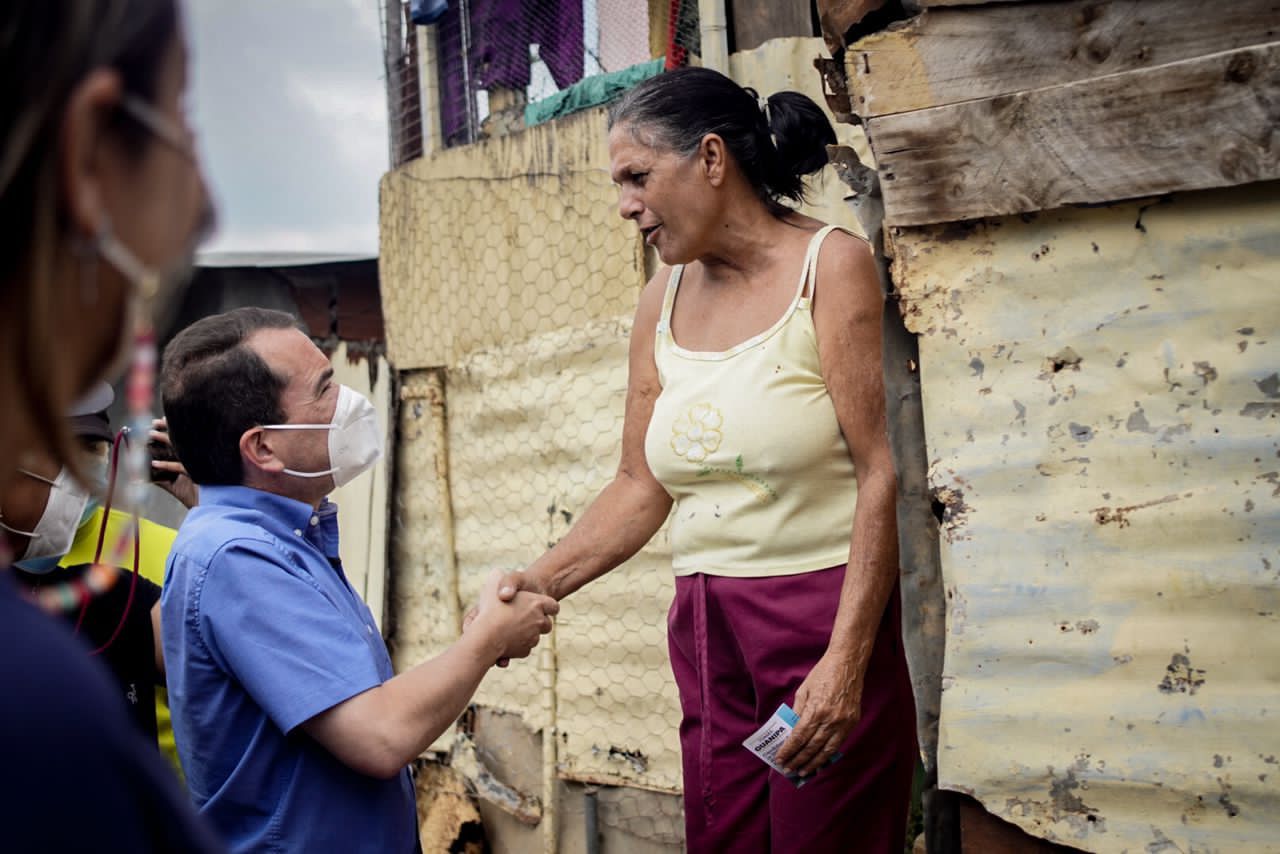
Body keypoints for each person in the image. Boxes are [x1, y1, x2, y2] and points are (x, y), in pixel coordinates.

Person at [486, 67, 918, 851]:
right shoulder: (664, 294)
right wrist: (536, 584)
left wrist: (846, 662)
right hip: (707, 627)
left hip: (820, 614)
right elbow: (638, 485)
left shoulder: (830, 265)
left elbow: (879, 472)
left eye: (637, 176)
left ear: (712, 159)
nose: (625, 203)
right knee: (725, 840)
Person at [159, 307, 560, 853]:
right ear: (262, 447)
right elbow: (380, 734)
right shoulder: (237, 557)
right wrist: (488, 640)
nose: (348, 401)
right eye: (324, 389)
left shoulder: (280, 535)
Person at [0, 0, 222, 850]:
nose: (203, 201)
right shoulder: (36, 713)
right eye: (181, 116)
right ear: (90, 154)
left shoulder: (150, 560)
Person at [3, 382, 189, 772]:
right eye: (56, 458)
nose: (79, 481)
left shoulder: (117, 594)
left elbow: (244, 658)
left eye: (92, 452)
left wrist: (220, 510)